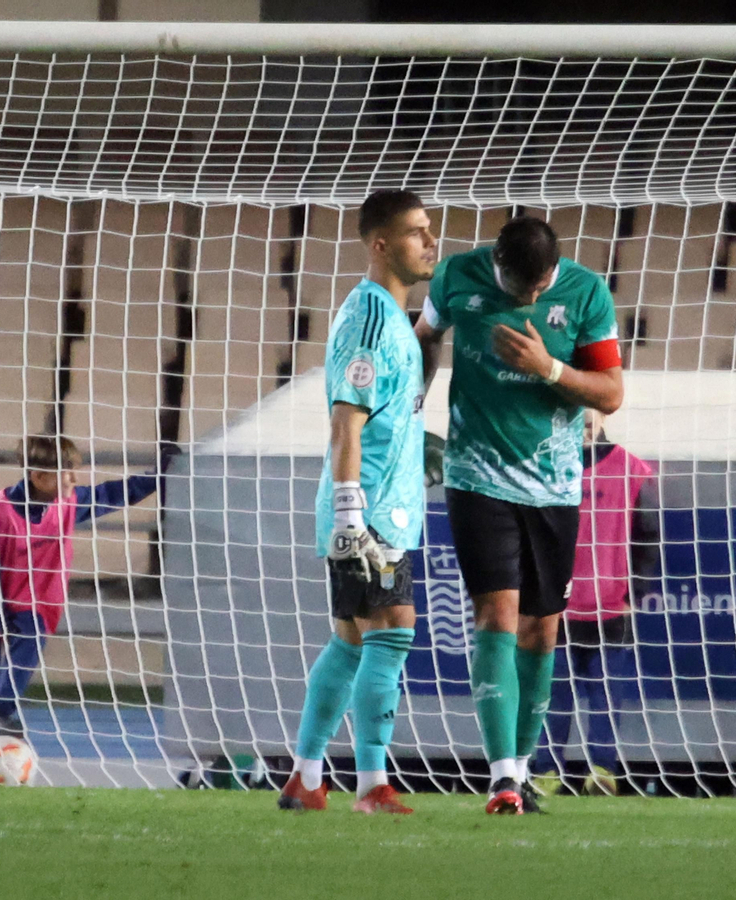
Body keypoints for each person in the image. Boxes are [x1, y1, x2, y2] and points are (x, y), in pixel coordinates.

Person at [415, 216, 624, 814]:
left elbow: (610, 393)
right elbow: (426, 334)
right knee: (496, 613)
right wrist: (414, 396)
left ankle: (525, 770)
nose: (530, 297)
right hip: (476, 475)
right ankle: (502, 776)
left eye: (540, 286)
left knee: (542, 628)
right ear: (497, 263)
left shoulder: (585, 292)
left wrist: (549, 369)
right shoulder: (458, 274)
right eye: (519, 286)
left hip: (554, 485)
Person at [277, 189, 436, 815]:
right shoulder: (371, 319)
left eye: (428, 230)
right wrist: (350, 517)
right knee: (392, 635)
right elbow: (347, 421)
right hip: (369, 516)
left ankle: (306, 778)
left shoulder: (393, 317)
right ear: (380, 244)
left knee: (349, 643)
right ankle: (371, 786)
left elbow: (388, 417)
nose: (429, 242)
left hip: (384, 507)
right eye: (416, 232)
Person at [0, 434, 161, 744]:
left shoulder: (67, 502)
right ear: (39, 476)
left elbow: (113, 494)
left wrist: (158, 476)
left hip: (25, 599)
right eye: (65, 471)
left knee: (29, 634)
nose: (74, 478)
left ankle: (2, 714)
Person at [531, 410, 658, 797]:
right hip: (556, 605)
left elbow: (647, 538)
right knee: (552, 696)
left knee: (605, 697)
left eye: (592, 407)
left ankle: (601, 772)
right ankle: (546, 772)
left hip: (610, 606)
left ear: (605, 412)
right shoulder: (543, 467)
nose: (585, 416)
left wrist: (633, 594)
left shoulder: (631, 470)